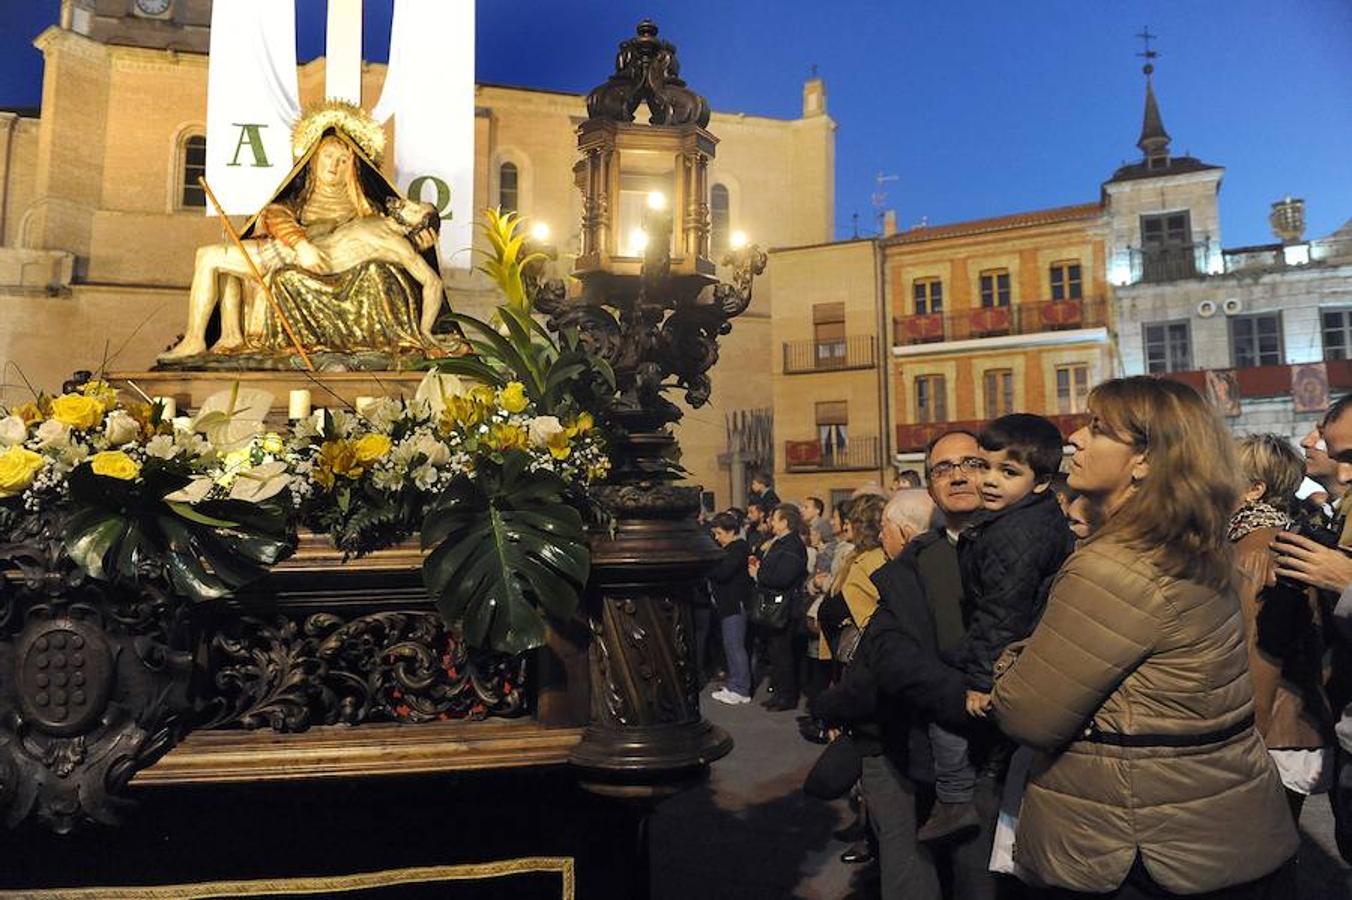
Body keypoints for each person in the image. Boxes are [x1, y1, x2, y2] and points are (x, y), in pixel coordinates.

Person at [990, 376, 1298, 898]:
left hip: (1143, 843)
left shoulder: (1114, 567)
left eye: (1097, 429)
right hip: (1218, 824)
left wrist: (1011, 660)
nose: (1076, 440)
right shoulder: (1190, 546)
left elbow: (1025, 713)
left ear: (1146, 460)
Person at [161, 104, 448, 361]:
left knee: (211, 258)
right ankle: (226, 336)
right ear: (313, 158)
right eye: (328, 156)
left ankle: (198, 339)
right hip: (288, 251)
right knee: (217, 259)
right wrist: (301, 242)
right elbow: (275, 213)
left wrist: (421, 250)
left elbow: (426, 277)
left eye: (343, 160)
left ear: (354, 166)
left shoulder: (372, 214)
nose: (334, 165)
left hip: (302, 263)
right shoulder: (299, 198)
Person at [921, 415, 1075, 843]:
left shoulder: (1015, 532)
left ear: (1041, 482)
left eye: (1008, 472)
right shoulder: (1023, 517)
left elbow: (1001, 611)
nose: (988, 481)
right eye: (983, 466)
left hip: (1017, 658)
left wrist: (980, 681)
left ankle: (962, 797)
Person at [811, 488, 968, 900]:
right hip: (937, 732)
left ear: (901, 531)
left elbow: (879, 665)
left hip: (895, 734)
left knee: (903, 847)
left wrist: (828, 706)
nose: (882, 537)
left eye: (885, 529)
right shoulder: (957, 564)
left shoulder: (900, 579)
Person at [1231, 434, 1334, 820]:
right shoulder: (1282, 537)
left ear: (1255, 490)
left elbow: (1261, 651)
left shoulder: (1257, 549)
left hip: (1272, 731)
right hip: (1288, 726)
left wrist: (1249, 737)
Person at [749, 503, 808, 711]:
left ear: (784, 522)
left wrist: (759, 575)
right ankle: (780, 692)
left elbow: (783, 576)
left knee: (783, 653)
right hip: (775, 605)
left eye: (774, 519)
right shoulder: (779, 543)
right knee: (776, 652)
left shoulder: (792, 545)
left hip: (785, 607)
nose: (771, 523)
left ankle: (787, 696)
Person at [708, 512, 755, 705]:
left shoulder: (738, 549)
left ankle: (740, 688)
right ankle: (735, 683)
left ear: (732, 531)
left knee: (735, 646)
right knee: (731, 645)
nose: (717, 538)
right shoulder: (732, 550)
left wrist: (709, 565)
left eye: (719, 533)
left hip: (734, 604)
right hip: (728, 605)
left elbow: (723, 572)